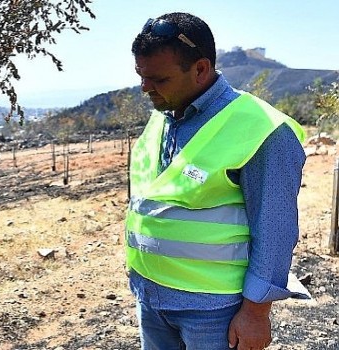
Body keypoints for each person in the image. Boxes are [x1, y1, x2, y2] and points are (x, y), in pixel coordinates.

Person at [124, 12, 307, 350]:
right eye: (141, 76)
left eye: (159, 79)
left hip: (212, 312)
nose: (145, 88)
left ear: (200, 69)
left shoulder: (263, 130)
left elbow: (275, 230)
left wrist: (255, 313)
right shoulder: (163, 117)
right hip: (150, 297)